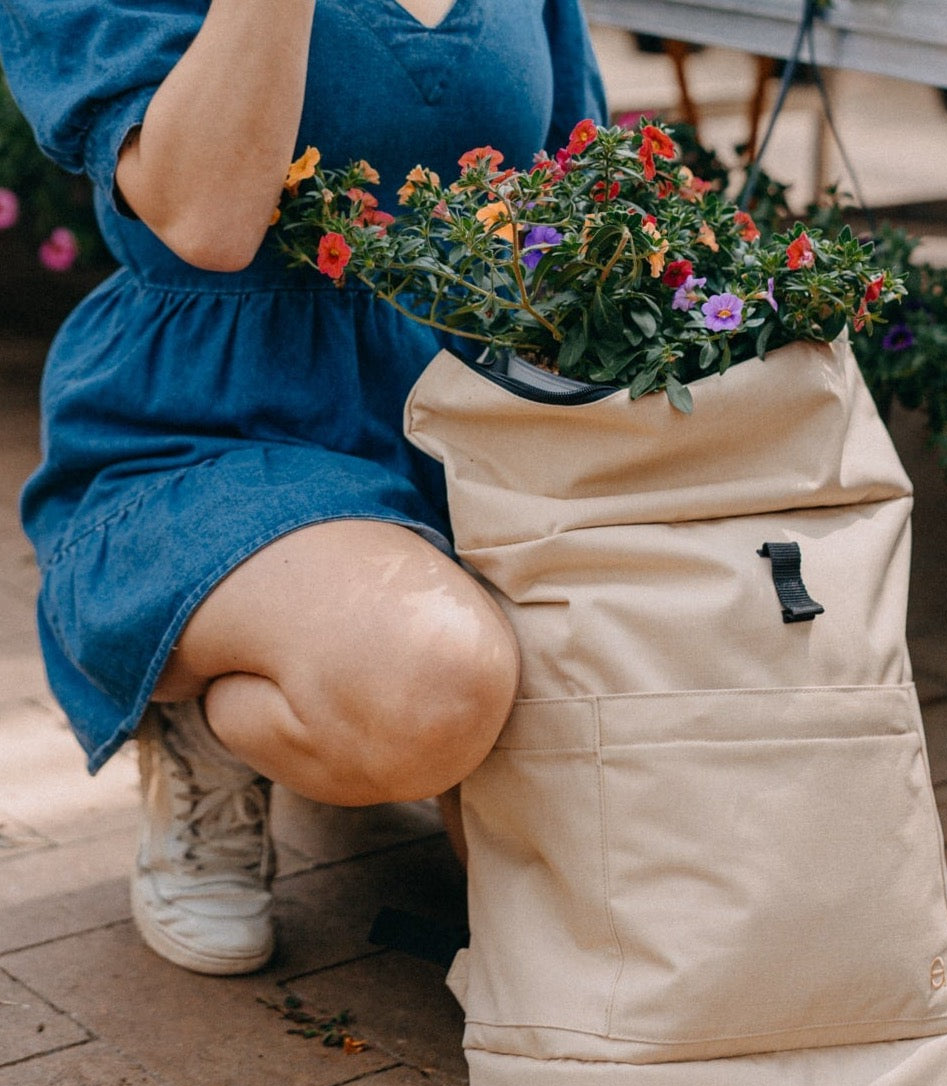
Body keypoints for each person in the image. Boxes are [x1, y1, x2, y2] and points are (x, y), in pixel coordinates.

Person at [0, 0, 606, 975]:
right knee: (434, 687)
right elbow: (211, 219)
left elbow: (574, 192)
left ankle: (331, 676)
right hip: (214, 432)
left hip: (464, 426)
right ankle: (201, 723)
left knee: (617, 775)